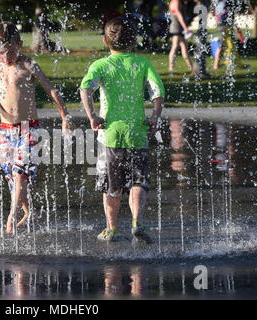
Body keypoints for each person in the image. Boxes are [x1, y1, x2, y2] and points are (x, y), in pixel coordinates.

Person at [0, 22, 73, 234]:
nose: (6, 57)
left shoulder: (28, 65)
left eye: (10, 52)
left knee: (20, 175)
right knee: (11, 176)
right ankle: (29, 212)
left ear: (19, 44)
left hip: (30, 128)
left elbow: (51, 90)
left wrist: (65, 116)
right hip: (6, 131)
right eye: (1, 52)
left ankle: (11, 217)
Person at [80, 16, 165, 243]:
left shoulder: (101, 65)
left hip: (110, 134)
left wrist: (92, 116)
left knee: (111, 185)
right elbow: (157, 92)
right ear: (133, 42)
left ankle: (111, 228)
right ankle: (137, 222)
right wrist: (155, 117)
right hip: (137, 131)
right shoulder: (143, 64)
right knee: (138, 182)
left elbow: (85, 89)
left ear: (105, 42)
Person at [168, 0, 194, 73]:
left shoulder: (174, 1)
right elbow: (178, 14)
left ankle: (191, 66)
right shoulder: (176, 1)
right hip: (176, 27)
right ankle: (171, 67)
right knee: (176, 46)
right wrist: (185, 28)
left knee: (182, 46)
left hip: (177, 27)